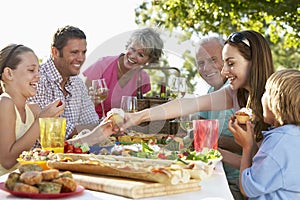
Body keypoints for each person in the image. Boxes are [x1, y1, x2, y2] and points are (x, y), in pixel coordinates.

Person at [123, 30, 274, 199]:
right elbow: (188, 104)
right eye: (224, 64)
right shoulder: (235, 93)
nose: (224, 72)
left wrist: (217, 152)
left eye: (230, 64)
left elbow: (261, 169)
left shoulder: (275, 103)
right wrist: (138, 116)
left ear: (254, 62)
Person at [229, 69, 300, 199]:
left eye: (266, 91)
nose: (262, 96)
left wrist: (247, 147)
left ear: (276, 101)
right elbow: (264, 171)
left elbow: (247, 188)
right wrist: (249, 141)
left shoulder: (279, 142)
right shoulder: (291, 136)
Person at [0, 44, 64, 176]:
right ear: (9, 73)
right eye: (31, 70)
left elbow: (55, 150)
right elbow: (7, 161)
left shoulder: (33, 109)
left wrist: (100, 132)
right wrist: (41, 120)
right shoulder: (4, 103)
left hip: (24, 181)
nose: (38, 75)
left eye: (38, 70)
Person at [28, 25, 100, 139]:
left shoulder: (78, 83)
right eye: (74, 52)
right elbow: (54, 131)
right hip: (41, 155)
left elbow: (92, 121)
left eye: (83, 52)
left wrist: (102, 127)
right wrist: (102, 128)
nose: (81, 58)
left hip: (74, 154)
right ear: (55, 52)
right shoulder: (37, 80)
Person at [195, 36, 242, 199]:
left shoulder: (238, 91)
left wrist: (209, 139)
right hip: (211, 174)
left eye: (212, 60)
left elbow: (251, 145)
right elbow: (199, 127)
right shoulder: (211, 92)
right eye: (201, 63)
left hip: (234, 184)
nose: (206, 68)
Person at [83, 27, 164, 119]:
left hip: (121, 126)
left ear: (150, 60)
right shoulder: (102, 64)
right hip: (92, 122)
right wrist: (91, 101)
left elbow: (137, 109)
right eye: (132, 49)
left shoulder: (143, 78)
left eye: (140, 55)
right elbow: (80, 102)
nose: (133, 56)